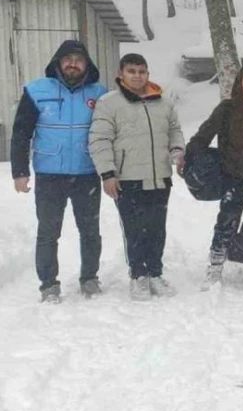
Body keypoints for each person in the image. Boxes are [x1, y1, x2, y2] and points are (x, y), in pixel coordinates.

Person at [10, 40, 108, 303]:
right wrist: (20, 171)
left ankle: (89, 278)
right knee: (48, 232)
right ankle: (49, 285)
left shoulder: (100, 94)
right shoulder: (37, 91)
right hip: (49, 174)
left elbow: (111, 133)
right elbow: (21, 133)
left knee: (90, 231)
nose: (72, 64)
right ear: (58, 62)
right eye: (67, 59)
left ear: (87, 64)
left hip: (87, 172)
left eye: (78, 59)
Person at [89, 53, 185, 301]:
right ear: (121, 74)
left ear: (148, 74)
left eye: (142, 71)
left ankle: (155, 273)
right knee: (134, 230)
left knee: (156, 229)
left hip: (160, 177)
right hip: (126, 178)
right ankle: (138, 276)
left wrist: (177, 149)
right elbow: (99, 139)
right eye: (131, 71)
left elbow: (174, 130)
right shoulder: (109, 103)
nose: (137, 76)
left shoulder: (162, 102)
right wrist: (108, 173)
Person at [186, 64, 243, 290]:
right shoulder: (227, 109)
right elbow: (203, 136)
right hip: (234, 176)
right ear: (240, 83)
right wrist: (189, 158)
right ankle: (215, 266)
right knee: (227, 223)